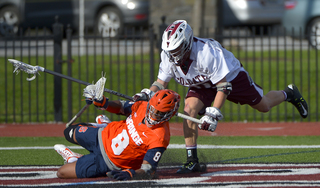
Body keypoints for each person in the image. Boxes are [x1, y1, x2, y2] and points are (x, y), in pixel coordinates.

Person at [133, 20, 309, 174]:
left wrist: (213, 113)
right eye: (170, 50)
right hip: (201, 83)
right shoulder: (168, 56)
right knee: (189, 110)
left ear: (186, 44)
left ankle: (289, 93)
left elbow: (223, 86)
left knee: (263, 106)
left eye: (176, 49)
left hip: (230, 77)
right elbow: (160, 83)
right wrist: (147, 92)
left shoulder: (206, 53)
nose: (173, 55)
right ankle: (192, 160)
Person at [54, 89, 181, 180]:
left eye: (158, 113)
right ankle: (104, 124)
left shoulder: (160, 137)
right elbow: (121, 107)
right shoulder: (142, 106)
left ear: (169, 115)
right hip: (104, 134)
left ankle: (76, 158)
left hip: (109, 161)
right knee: (69, 132)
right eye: (151, 110)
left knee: (62, 173)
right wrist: (105, 103)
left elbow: (149, 170)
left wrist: (132, 174)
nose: (152, 115)